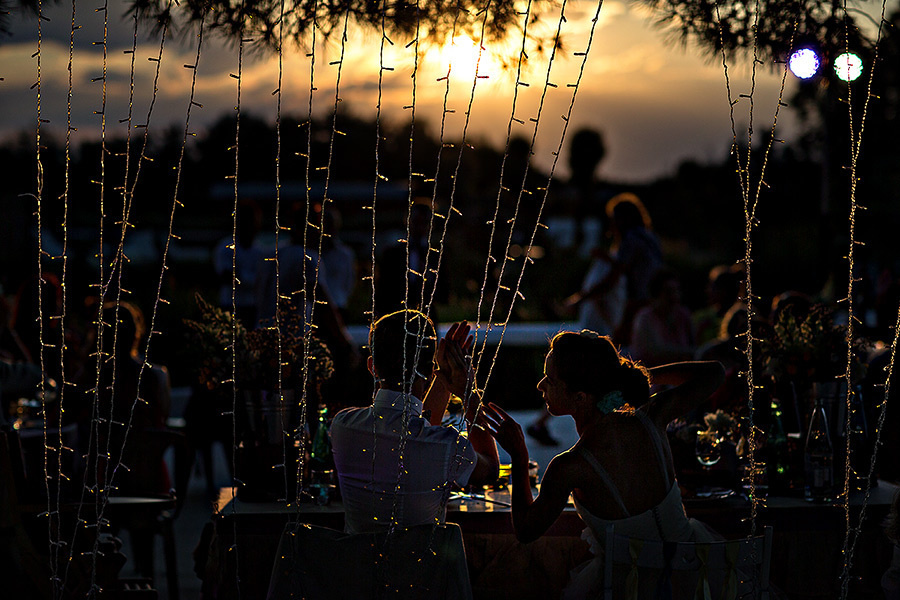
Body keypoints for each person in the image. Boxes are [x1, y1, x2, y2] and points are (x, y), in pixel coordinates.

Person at [480, 331, 724, 598]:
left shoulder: (570, 466)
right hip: (698, 582)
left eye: (550, 380)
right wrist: (635, 377)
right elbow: (714, 373)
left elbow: (526, 531)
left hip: (626, 589)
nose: (540, 386)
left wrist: (518, 457)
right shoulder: (652, 418)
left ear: (581, 397)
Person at [330, 311, 499, 534]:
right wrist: (468, 393)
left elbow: (415, 432)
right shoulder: (447, 445)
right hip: (423, 568)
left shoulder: (342, 426)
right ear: (430, 370)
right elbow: (490, 470)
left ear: (372, 366)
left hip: (359, 566)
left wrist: (441, 377)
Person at [564, 193, 662, 348]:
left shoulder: (631, 239)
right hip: (654, 300)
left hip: (638, 303)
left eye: (614, 219)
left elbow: (611, 280)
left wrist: (579, 299)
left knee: (624, 350)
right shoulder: (649, 238)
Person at [629, 269, 695, 367]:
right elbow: (655, 351)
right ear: (656, 295)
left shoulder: (683, 315)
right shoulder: (645, 318)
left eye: (676, 291)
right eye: (668, 292)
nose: (674, 297)